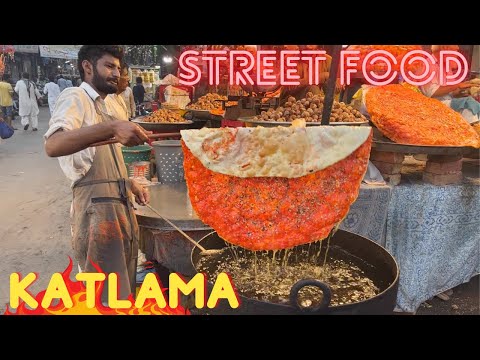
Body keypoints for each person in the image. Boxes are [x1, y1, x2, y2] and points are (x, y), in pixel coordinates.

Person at [43, 45, 151, 304]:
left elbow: (102, 157)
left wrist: (128, 181)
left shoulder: (109, 103)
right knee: (103, 297)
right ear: (88, 67)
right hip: (96, 214)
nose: (116, 73)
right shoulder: (75, 97)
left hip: (117, 204)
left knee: (120, 291)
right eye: (109, 66)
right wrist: (111, 127)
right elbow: (53, 145)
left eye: (118, 67)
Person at [420, 45, 480, 123]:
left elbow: (452, 93)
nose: (458, 52)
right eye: (455, 51)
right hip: (433, 105)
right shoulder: (428, 65)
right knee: (468, 103)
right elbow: (431, 93)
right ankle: (473, 131)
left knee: (474, 103)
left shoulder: (446, 67)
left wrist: (466, 90)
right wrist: (457, 85)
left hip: (448, 102)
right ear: (445, 49)